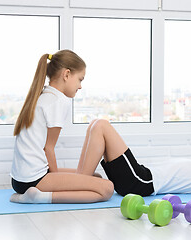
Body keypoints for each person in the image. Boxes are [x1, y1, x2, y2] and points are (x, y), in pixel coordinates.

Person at [10, 50, 114, 204]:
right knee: (107, 188)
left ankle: (35, 194)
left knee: (95, 177)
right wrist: (57, 181)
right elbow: (49, 148)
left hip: (20, 179)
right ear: (66, 75)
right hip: (34, 179)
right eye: (80, 79)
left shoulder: (45, 95)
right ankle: (38, 197)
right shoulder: (57, 101)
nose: (80, 86)